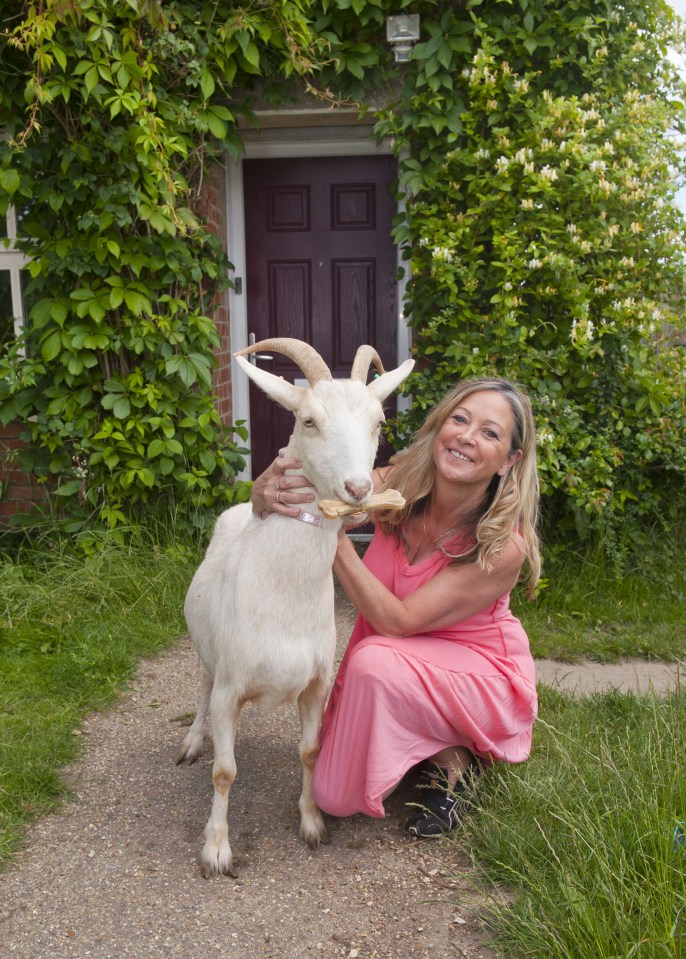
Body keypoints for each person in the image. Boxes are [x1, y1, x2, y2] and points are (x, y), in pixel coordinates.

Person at [251, 376, 540, 838]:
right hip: (388, 664)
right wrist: (263, 491)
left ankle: (456, 762)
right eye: (459, 420)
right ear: (440, 428)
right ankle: (418, 740)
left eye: (489, 432)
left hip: (477, 677)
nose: (467, 436)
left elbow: (397, 622)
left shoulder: (504, 547)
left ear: (509, 460)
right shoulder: (395, 485)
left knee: (374, 663)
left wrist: (334, 537)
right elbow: (315, 482)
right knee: (331, 796)